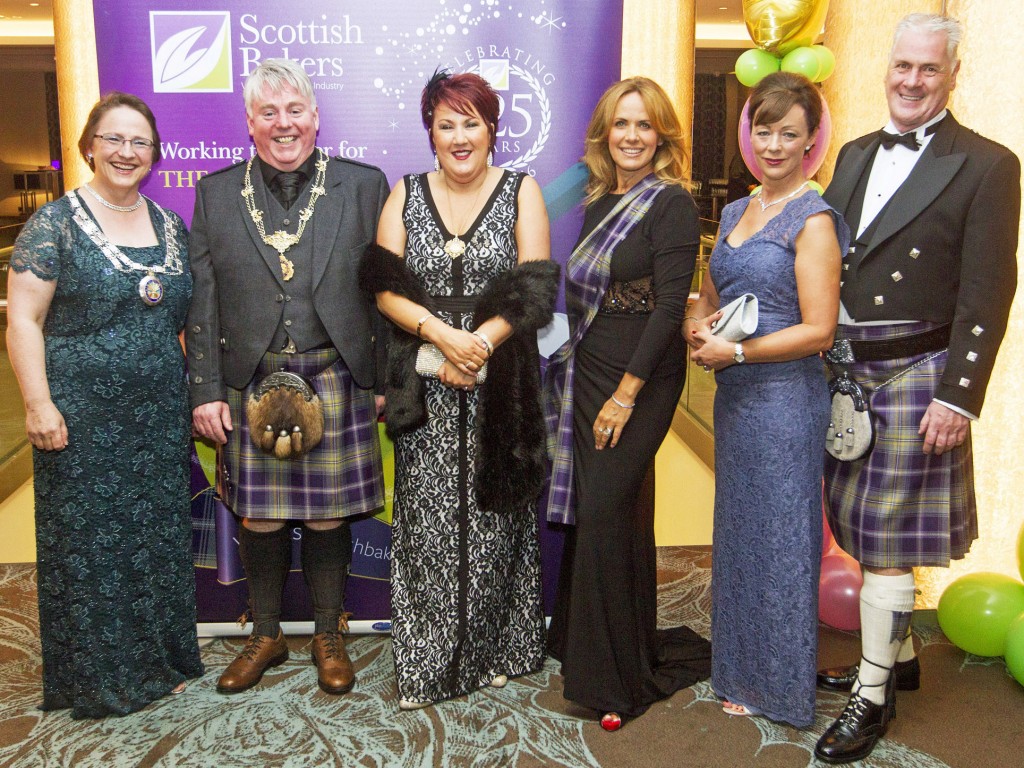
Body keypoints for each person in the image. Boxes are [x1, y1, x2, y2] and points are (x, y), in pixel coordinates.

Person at [813, 14, 1019, 763]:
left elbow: (989, 290)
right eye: (902, 66)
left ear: (952, 76)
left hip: (916, 374)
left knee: (890, 539)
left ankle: (871, 699)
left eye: (927, 70)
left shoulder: (989, 164)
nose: (909, 80)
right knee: (858, 524)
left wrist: (959, 395)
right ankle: (895, 661)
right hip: (848, 371)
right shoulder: (858, 152)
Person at [187, 59, 389, 696]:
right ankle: (267, 632)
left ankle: (329, 632)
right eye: (268, 112)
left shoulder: (362, 186)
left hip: (337, 375)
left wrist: (384, 377)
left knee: (330, 517)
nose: (283, 124)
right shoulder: (216, 192)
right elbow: (204, 300)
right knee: (261, 520)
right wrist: (206, 390)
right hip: (251, 381)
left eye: (294, 110)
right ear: (249, 122)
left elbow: (386, 287)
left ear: (315, 116)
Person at [359, 70, 557, 711]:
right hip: (428, 376)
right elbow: (383, 287)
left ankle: (501, 648)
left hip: (504, 378)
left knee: (501, 517)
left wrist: (481, 344)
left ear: (492, 129)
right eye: (447, 124)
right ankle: (431, 658)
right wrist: (443, 338)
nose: (460, 135)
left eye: (472, 121)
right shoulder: (404, 193)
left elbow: (534, 286)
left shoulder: (522, 190)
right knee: (429, 523)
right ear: (431, 132)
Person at [6, 92, 204, 717]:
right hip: (80, 417)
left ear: (154, 154)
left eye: (140, 142)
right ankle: (100, 677)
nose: (126, 152)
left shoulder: (170, 225)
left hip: (156, 416)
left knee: (156, 538)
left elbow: (180, 320)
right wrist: (38, 404)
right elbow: (24, 321)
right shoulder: (54, 224)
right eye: (114, 139)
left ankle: (161, 661)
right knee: (93, 545)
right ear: (89, 145)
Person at [543, 76, 711, 731]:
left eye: (645, 126)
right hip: (589, 365)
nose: (633, 137)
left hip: (639, 375)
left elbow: (672, 304)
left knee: (609, 509)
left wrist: (626, 394)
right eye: (622, 125)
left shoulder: (670, 202)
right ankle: (606, 649)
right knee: (605, 511)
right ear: (604, 134)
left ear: (662, 135)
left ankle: (614, 681)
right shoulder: (597, 199)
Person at [687, 72, 847, 727]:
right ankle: (740, 671)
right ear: (748, 135)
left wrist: (741, 353)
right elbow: (712, 291)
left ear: (811, 143)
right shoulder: (733, 211)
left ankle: (780, 687)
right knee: (741, 537)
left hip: (785, 404)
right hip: (738, 402)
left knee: (782, 542)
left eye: (790, 134)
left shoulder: (813, 218)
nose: (775, 144)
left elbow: (819, 330)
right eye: (765, 130)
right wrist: (698, 319)